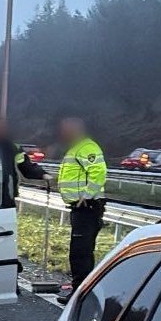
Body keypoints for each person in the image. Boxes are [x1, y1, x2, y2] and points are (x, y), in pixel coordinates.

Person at [55, 117, 107, 304]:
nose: (63, 133)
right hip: (80, 208)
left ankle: (80, 296)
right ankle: (82, 293)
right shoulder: (76, 148)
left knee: (80, 254)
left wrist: (87, 194)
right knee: (81, 252)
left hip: (86, 207)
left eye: (66, 129)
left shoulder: (87, 147)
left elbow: (98, 172)